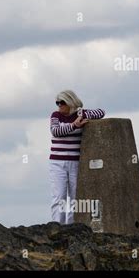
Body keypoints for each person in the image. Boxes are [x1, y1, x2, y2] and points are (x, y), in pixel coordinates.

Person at [49, 90, 105, 224]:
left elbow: (101, 112)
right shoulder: (55, 115)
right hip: (57, 163)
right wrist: (74, 125)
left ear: (70, 102)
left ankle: (71, 227)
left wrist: (82, 113)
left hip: (75, 162)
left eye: (62, 102)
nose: (59, 105)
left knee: (75, 197)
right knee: (59, 197)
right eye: (57, 103)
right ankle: (57, 227)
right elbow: (55, 131)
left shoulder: (80, 114)